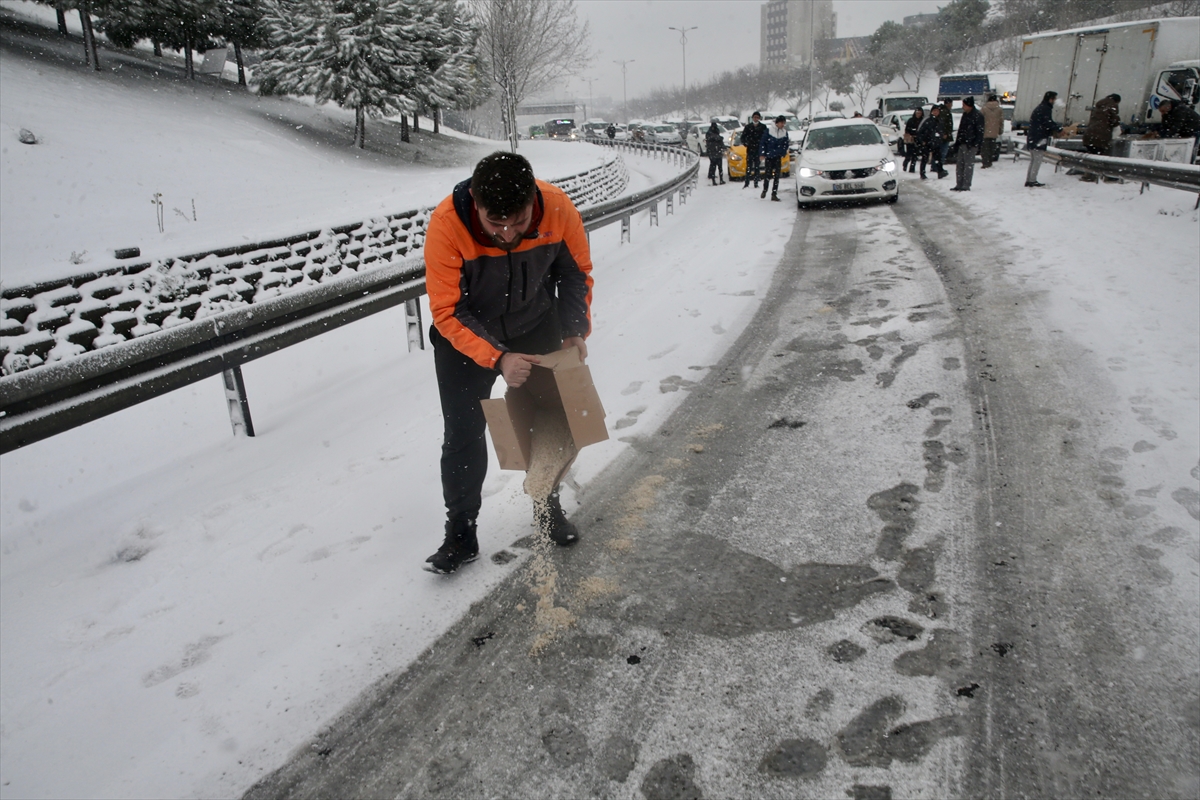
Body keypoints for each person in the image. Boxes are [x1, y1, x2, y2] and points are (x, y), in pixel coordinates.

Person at [421, 151, 593, 574]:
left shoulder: (556, 207)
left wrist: (574, 328)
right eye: (494, 224)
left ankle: (546, 506)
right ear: (476, 202)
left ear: (532, 201)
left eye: (517, 222)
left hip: (535, 323)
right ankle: (461, 531)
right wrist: (497, 358)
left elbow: (575, 273)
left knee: (550, 420)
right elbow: (446, 312)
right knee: (463, 432)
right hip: (466, 335)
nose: (507, 234)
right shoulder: (447, 225)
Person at [1025, 90, 1063, 187]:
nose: (1054, 101)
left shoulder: (1041, 107)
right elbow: (1047, 122)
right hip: (1039, 137)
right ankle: (1032, 181)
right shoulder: (1045, 108)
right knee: (1037, 160)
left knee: (1034, 159)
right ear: (1051, 99)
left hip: (1033, 137)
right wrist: (1058, 129)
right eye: (1054, 99)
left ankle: (1030, 179)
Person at [1080, 93, 1121, 181]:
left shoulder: (1099, 105)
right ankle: (1098, 176)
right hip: (1100, 136)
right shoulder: (1112, 105)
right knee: (1100, 155)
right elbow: (1114, 120)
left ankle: (1088, 174)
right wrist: (1118, 123)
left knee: (1092, 155)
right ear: (1117, 101)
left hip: (1089, 134)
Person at [952, 96, 984, 191]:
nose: (963, 107)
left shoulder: (978, 116)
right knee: (960, 165)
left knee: (968, 166)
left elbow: (980, 131)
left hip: (971, 144)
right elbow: (961, 129)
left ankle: (966, 185)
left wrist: (976, 144)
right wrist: (958, 142)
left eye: (964, 105)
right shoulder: (965, 115)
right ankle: (959, 184)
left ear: (969, 105)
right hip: (962, 143)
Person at [760, 115, 790, 200]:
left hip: (777, 157)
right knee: (767, 175)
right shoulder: (769, 131)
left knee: (777, 176)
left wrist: (783, 152)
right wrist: (762, 153)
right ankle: (765, 190)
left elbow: (786, 144)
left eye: (784, 123)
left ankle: (774, 193)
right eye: (781, 123)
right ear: (777, 123)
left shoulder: (784, 132)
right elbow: (763, 142)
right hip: (769, 156)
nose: (783, 125)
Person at [917, 104, 945, 180]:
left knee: (938, 158)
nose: (936, 112)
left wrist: (941, 137)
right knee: (925, 158)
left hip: (936, 143)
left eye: (937, 111)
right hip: (927, 142)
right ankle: (922, 173)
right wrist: (922, 141)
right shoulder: (927, 121)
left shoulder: (940, 120)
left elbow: (941, 130)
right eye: (934, 111)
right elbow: (920, 132)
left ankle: (940, 172)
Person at [740, 111, 766, 189]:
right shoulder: (748, 127)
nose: (756, 119)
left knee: (757, 167)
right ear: (752, 118)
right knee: (749, 167)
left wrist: (763, 146)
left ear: (759, 118)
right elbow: (743, 137)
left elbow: (765, 138)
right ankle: (747, 183)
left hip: (758, 150)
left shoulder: (763, 127)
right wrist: (746, 143)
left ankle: (756, 182)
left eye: (757, 117)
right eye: (755, 117)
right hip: (750, 149)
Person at [980, 94, 1004, 168]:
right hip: (994, 132)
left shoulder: (984, 109)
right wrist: (1000, 130)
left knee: (985, 148)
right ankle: (990, 161)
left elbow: (980, 120)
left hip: (985, 132)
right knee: (991, 147)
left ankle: (985, 162)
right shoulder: (999, 110)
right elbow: (1001, 121)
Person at [902, 108, 924, 172]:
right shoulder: (911, 120)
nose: (918, 115)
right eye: (917, 113)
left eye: (920, 113)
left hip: (918, 140)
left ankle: (912, 168)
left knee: (915, 155)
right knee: (909, 154)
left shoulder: (922, 121)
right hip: (910, 140)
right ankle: (905, 164)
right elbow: (907, 130)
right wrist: (911, 132)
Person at [938, 99, 954, 174]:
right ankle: (939, 166)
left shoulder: (943, 111)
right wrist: (945, 133)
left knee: (940, 151)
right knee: (943, 151)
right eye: (951, 104)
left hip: (942, 135)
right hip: (944, 135)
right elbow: (944, 124)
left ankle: (937, 165)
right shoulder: (945, 112)